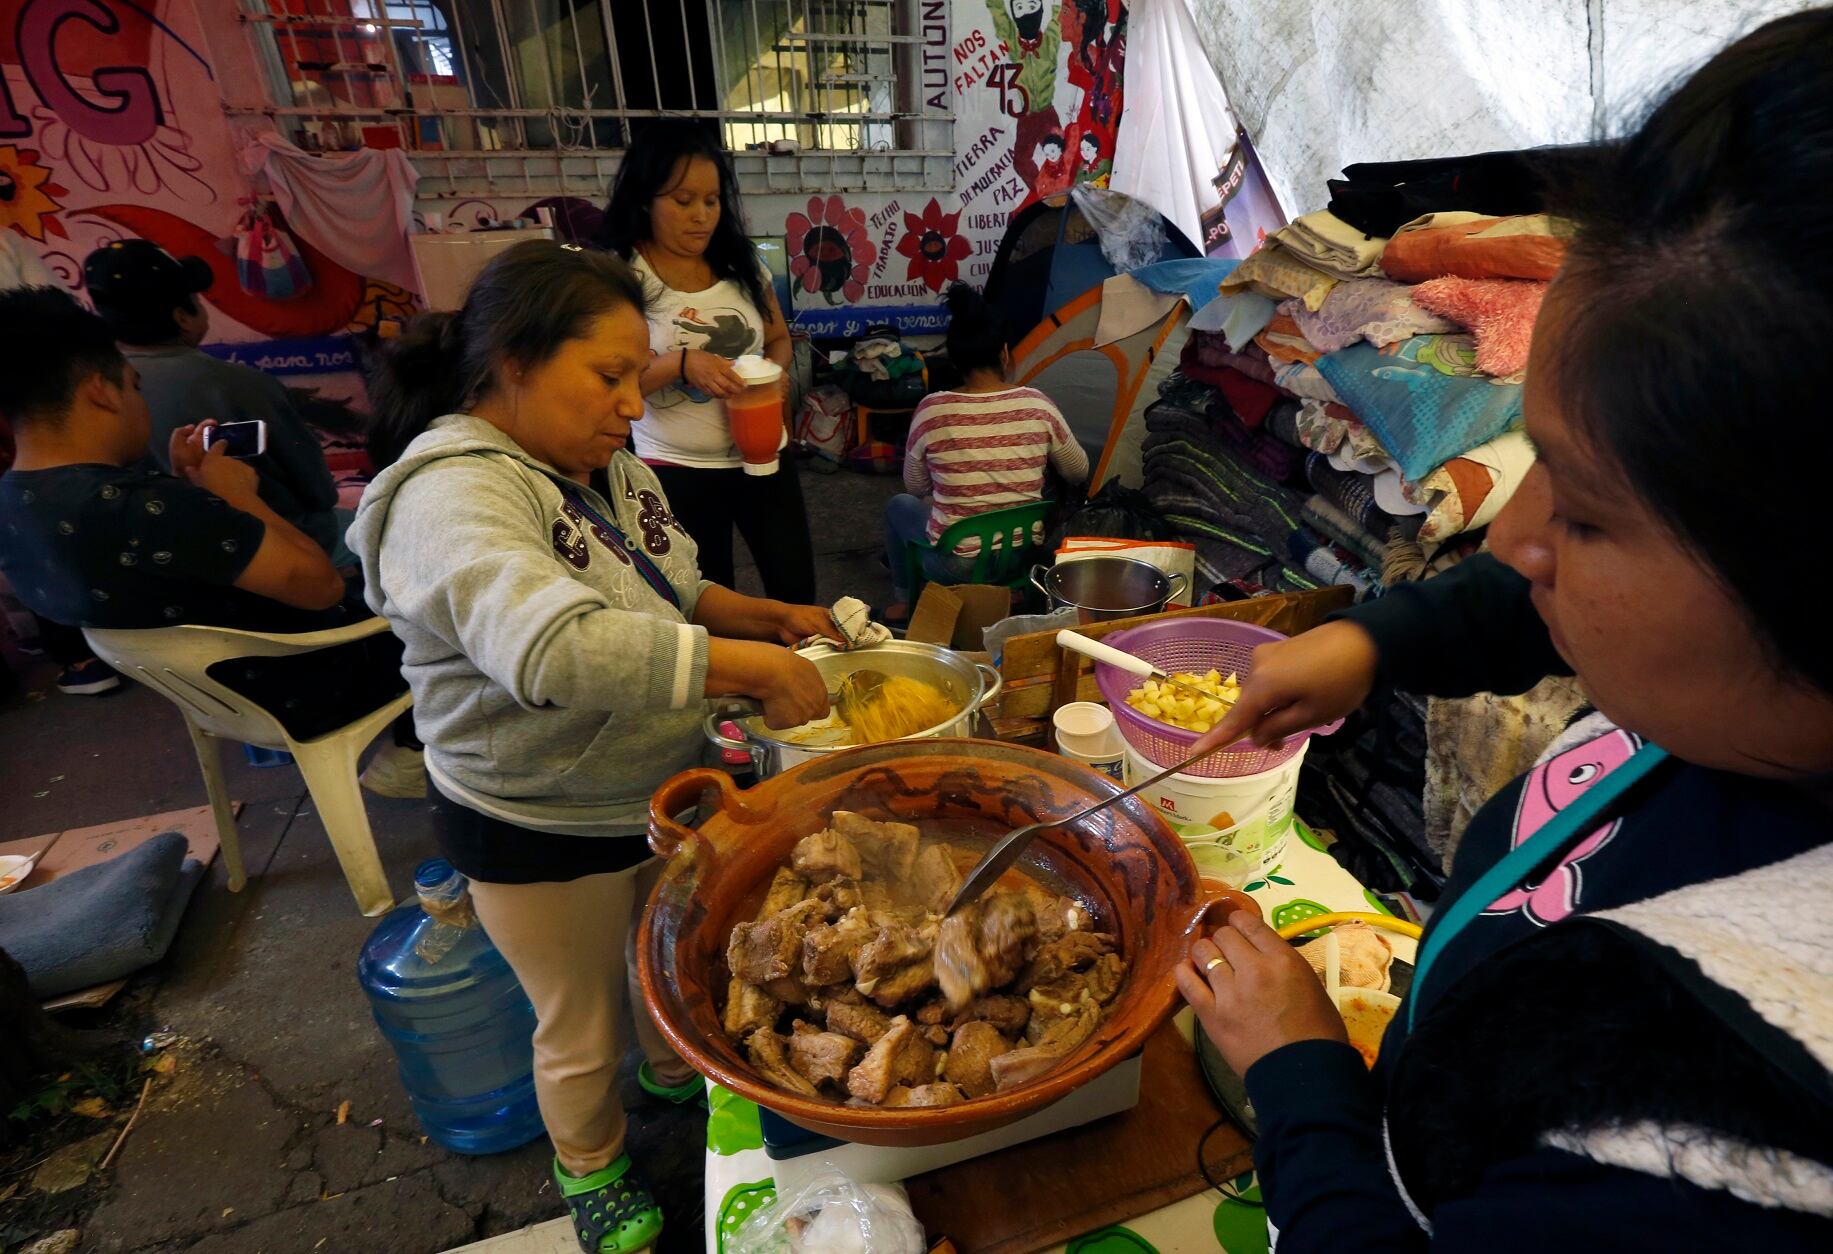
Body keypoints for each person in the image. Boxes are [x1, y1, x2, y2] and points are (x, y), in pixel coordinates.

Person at [1176, 14, 1833, 1248]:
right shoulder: (1738, 697)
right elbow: (1529, 601)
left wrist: (1302, 1080)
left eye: (1580, 507)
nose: (1513, 538)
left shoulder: (1711, 1150)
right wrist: (1378, 643)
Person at [353, 240, 838, 1254]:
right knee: (577, 1022)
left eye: (636, 373)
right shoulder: (451, 495)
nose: (634, 400)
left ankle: (670, 1073)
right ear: (514, 362)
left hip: (654, 787)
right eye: (610, 374)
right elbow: (553, 646)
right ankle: (591, 1166)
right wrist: (747, 669)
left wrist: (770, 619)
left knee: (665, 956)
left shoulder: (610, 466)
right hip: (532, 817)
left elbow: (677, 590)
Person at [0, 288, 419, 752]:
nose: (140, 401)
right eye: (134, 386)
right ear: (100, 391)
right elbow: (323, 587)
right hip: (308, 684)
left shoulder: (12, 501)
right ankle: (409, 758)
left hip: (205, 695)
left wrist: (186, 488)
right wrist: (237, 497)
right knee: (428, 592)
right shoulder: (146, 507)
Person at [595, 121, 818, 605]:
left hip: (765, 458)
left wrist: (773, 375)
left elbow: (778, 339)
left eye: (712, 201)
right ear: (645, 199)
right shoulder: (621, 275)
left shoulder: (742, 263)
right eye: (683, 201)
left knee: (796, 593)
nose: (701, 216)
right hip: (675, 469)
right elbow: (606, 385)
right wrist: (679, 364)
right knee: (708, 601)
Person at [83, 240, 350, 565]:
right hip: (272, 543)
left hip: (164, 556)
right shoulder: (243, 384)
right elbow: (319, 491)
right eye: (196, 298)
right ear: (182, 317)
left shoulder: (92, 395)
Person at [883, 283, 1087, 620]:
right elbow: (1078, 471)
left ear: (954, 360)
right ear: (1004, 353)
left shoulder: (932, 410)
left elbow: (916, 486)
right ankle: (1009, 590)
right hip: (1022, 555)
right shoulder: (1037, 404)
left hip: (956, 565)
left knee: (900, 505)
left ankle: (905, 600)